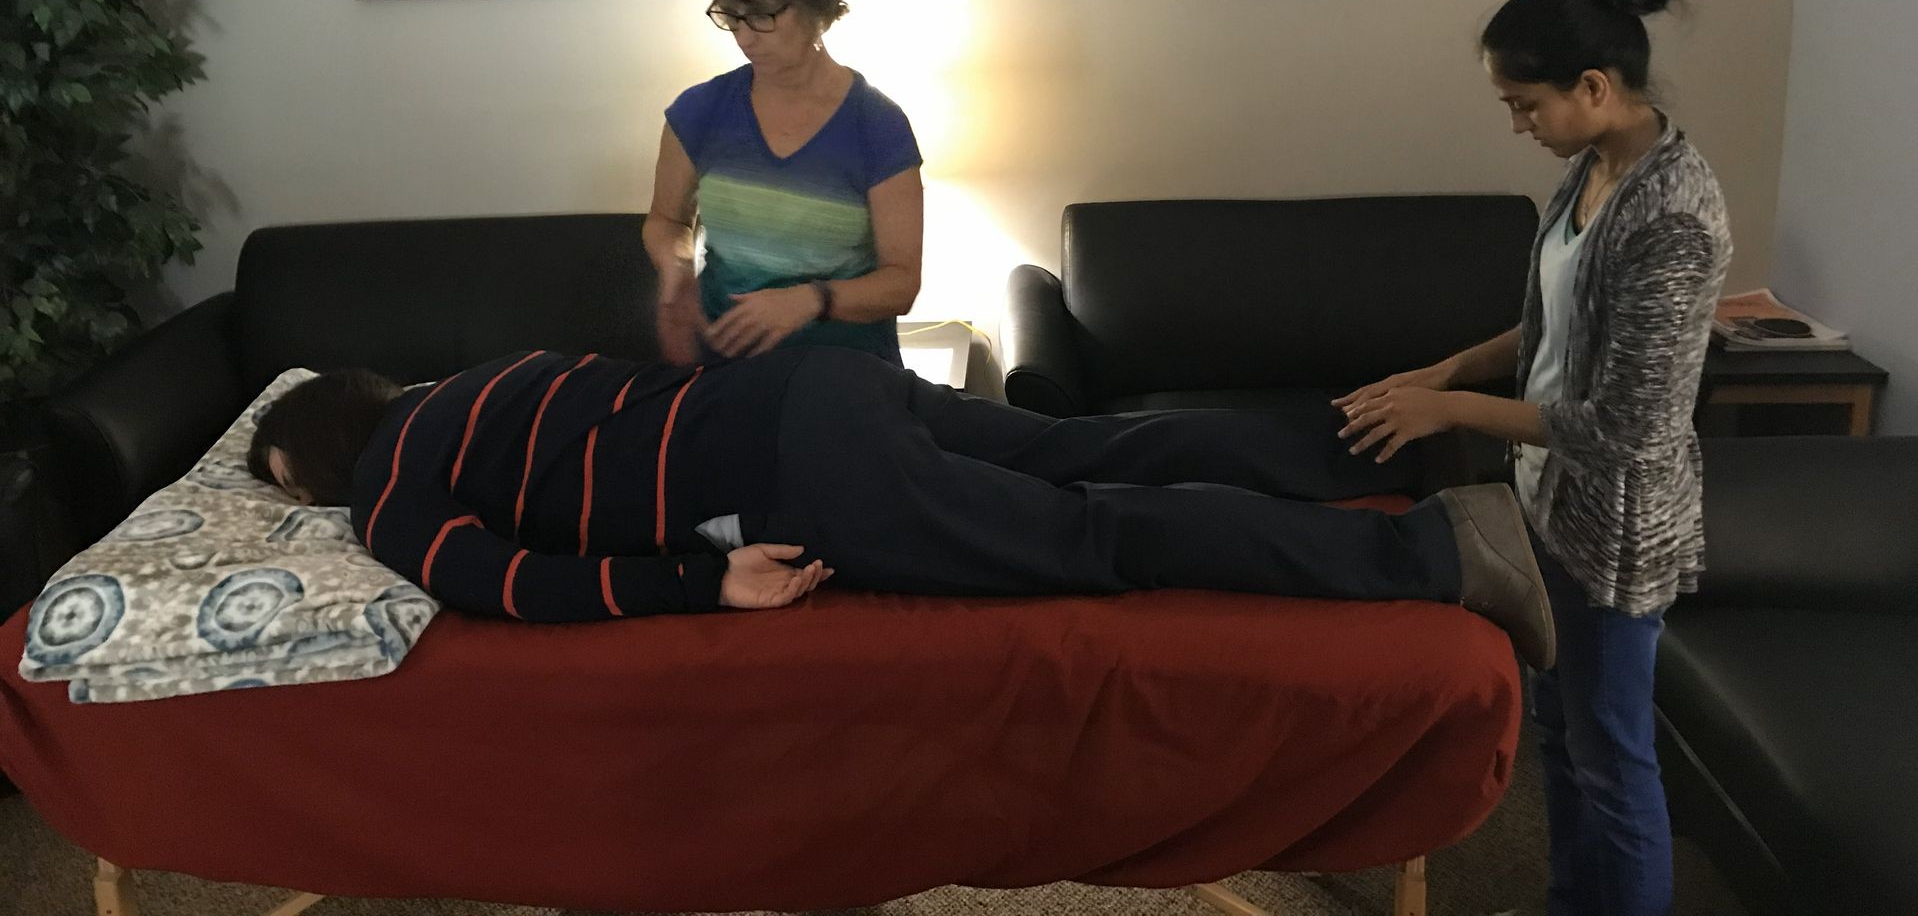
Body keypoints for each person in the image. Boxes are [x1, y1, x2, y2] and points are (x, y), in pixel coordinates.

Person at [245, 345, 1554, 667]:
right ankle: (1397, 454)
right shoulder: (488, 378)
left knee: (1100, 536)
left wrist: (706, 581)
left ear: (316, 457)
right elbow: (648, 408)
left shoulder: (389, 492)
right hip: (828, 391)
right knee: (1103, 446)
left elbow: (506, 587)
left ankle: (1447, 546)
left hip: (811, 478)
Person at [1333, 0, 1730, 916]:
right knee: (1558, 730)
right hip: (1549, 502)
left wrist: (1452, 412)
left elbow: (1632, 430)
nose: (1518, 125)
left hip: (1617, 529)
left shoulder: (1672, 216)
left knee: (1613, 759)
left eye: (1525, 104)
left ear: (1594, 87)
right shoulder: (1591, 168)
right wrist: (1447, 370)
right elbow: (1554, 326)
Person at [646, 0, 922, 367]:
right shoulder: (699, 112)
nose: (745, 37)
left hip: (845, 374)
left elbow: (901, 283)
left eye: (762, 15)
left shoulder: (877, 125)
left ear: (816, 3)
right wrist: (677, 265)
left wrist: (811, 300)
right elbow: (666, 220)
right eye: (731, 16)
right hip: (724, 368)